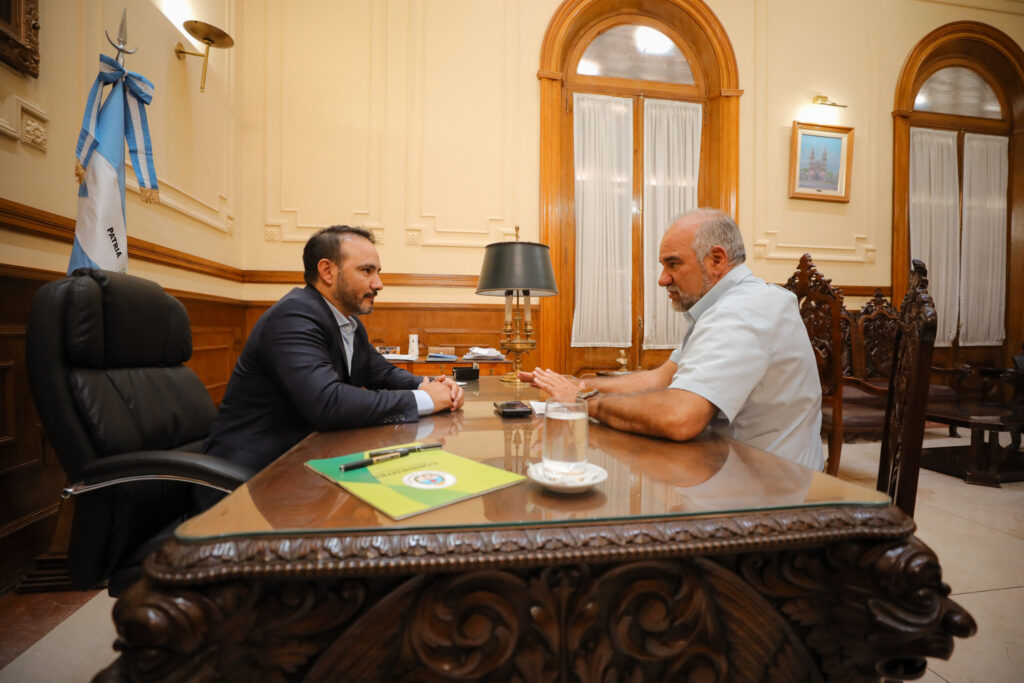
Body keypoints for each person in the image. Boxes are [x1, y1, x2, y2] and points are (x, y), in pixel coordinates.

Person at [523, 208, 824, 470]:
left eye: (673, 264)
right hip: (734, 466)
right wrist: (577, 385)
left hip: (768, 489)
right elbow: (660, 378)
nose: (662, 279)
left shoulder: (741, 311)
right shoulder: (725, 306)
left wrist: (584, 402)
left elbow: (679, 418)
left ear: (716, 260)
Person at [196, 225, 464, 508]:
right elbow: (327, 402)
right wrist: (424, 399)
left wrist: (432, 384)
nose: (379, 284)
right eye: (367, 271)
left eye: (378, 272)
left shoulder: (348, 322)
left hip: (308, 464)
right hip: (251, 482)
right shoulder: (293, 316)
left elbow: (381, 372)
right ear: (327, 271)